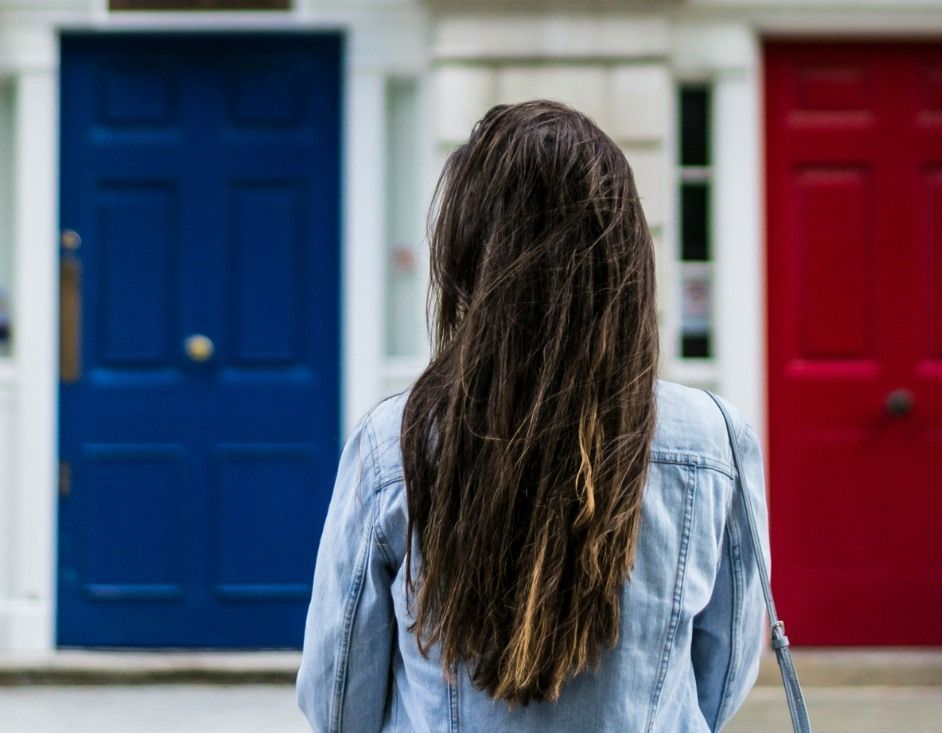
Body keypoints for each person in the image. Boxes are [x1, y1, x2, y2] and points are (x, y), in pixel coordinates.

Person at [296, 100, 769, 733]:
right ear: (626, 258)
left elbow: (337, 697)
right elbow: (722, 675)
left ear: (469, 261)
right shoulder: (716, 441)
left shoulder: (396, 440)